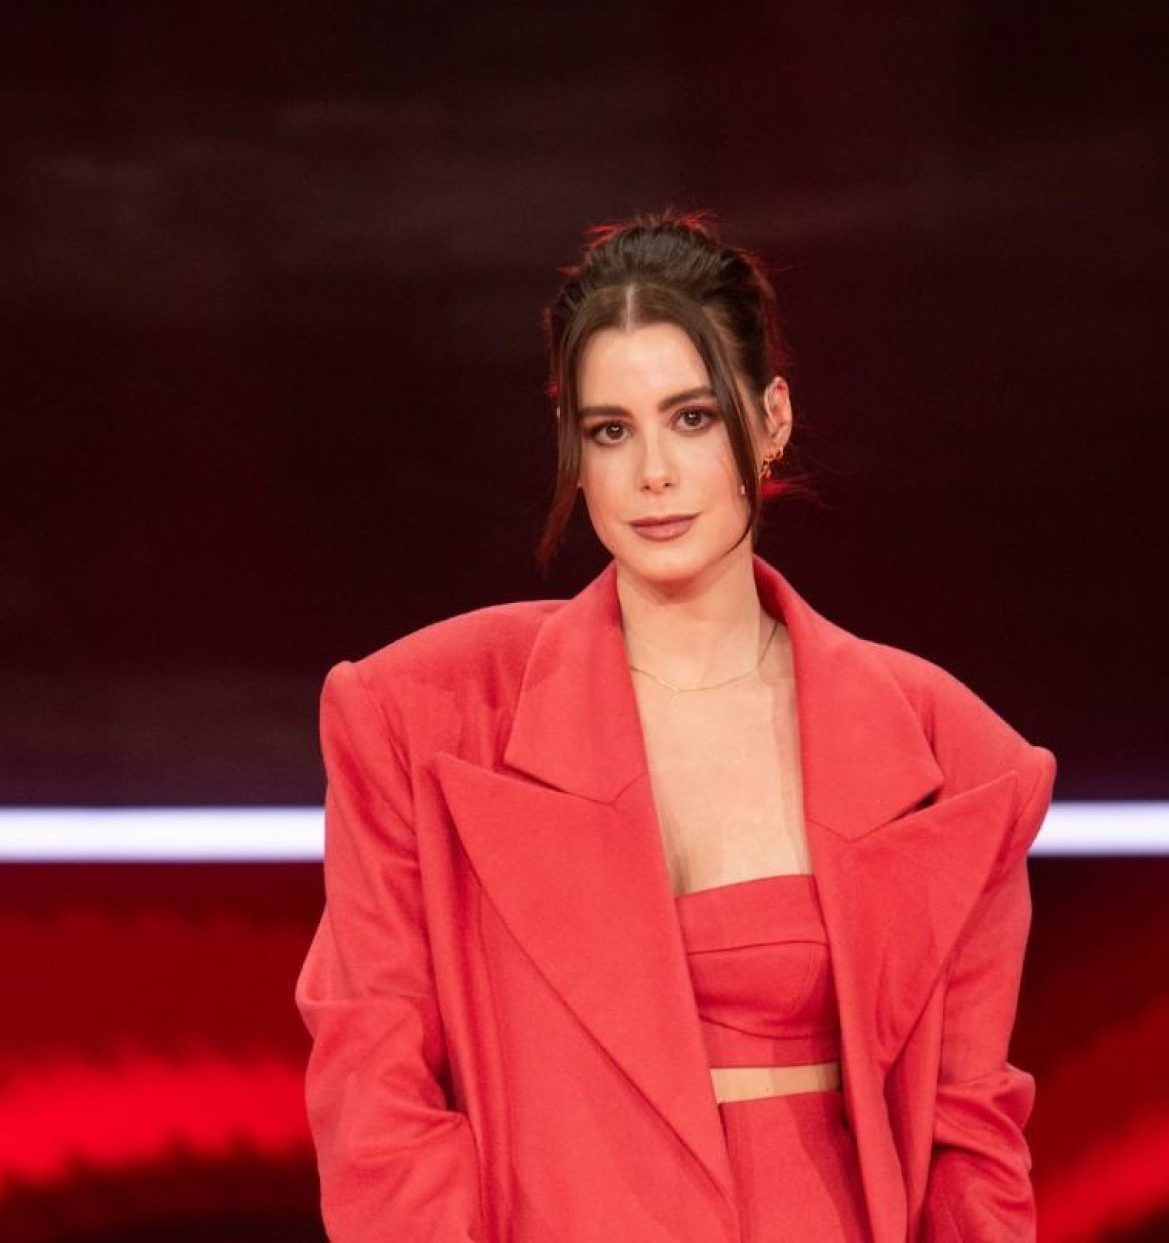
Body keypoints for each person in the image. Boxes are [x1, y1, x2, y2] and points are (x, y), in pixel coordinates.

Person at [295, 209, 1057, 1242]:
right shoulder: (419, 719)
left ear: (771, 417)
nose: (651, 470)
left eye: (691, 417)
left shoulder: (953, 756)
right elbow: (375, 1098)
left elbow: (970, 1141)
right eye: (611, 430)